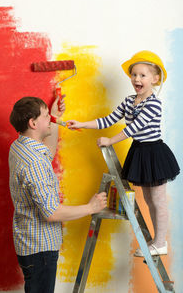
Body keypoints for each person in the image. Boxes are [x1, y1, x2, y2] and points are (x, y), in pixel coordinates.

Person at [67, 50, 180, 257]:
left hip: (154, 153)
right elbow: (108, 120)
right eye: (134, 75)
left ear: (155, 79)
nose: (137, 79)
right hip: (139, 152)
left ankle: (161, 242)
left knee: (158, 200)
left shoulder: (154, 103)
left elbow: (133, 128)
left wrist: (110, 140)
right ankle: (156, 239)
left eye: (142, 75)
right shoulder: (129, 101)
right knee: (147, 199)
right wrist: (81, 123)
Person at [9, 95, 107, 293]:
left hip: (28, 242)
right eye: (46, 117)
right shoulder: (34, 163)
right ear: (33, 123)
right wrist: (91, 208)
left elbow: (48, 153)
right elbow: (51, 213)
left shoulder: (21, 146)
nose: (51, 120)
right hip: (40, 250)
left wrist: (54, 113)